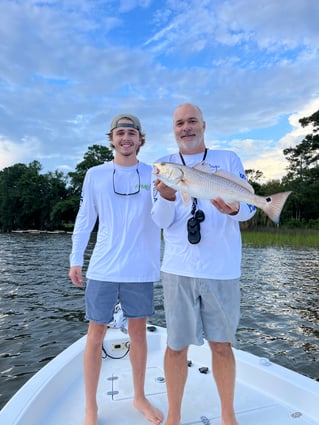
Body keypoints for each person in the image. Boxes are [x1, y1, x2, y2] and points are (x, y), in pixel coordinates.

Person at [152, 103, 256, 425]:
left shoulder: (228, 159)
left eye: (192, 121)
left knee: (222, 346)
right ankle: (174, 416)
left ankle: (228, 415)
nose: (186, 128)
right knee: (176, 346)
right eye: (180, 123)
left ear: (204, 125)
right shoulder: (166, 167)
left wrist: (234, 211)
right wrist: (167, 196)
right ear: (174, 129)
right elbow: (159, 220)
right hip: (178, 269)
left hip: (222, 269)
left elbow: (249, 208)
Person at [69, 113, 163, 425]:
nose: (126, 138)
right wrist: (75, 258)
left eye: (132, 133)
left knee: (138, 333)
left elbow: (168, 214)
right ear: (111, 138)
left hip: (141, 268)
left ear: (141, 139)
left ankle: (139, 396)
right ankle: (91, 407)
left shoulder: (155, 174)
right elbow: (85, 220)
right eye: (120, 133)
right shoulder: (95, 174)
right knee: (95, 334)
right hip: (103, 268)